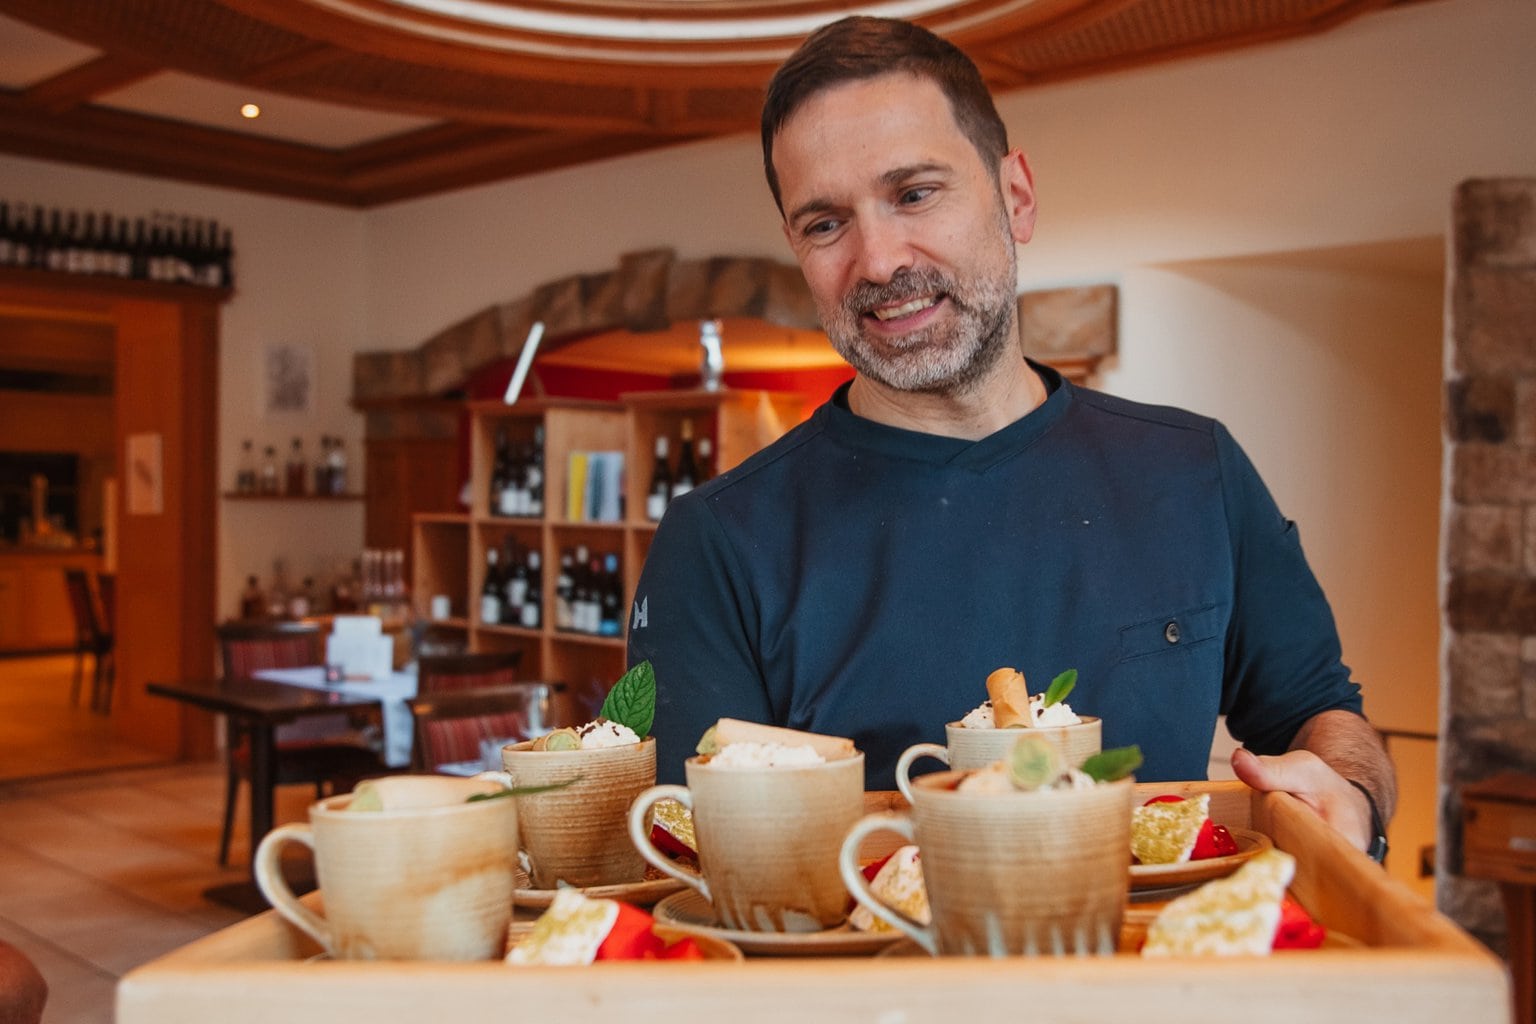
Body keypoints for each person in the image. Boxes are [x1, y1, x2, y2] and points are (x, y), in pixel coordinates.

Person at [628, 15, 1395, 857]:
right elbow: (685, 865)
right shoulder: (717, 543)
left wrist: (1349, 788)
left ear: (1015, 198)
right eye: (825, 223)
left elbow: (1323, 713)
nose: (879, 260)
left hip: (1161, 980)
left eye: (915, 193)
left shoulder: (1194, 470)